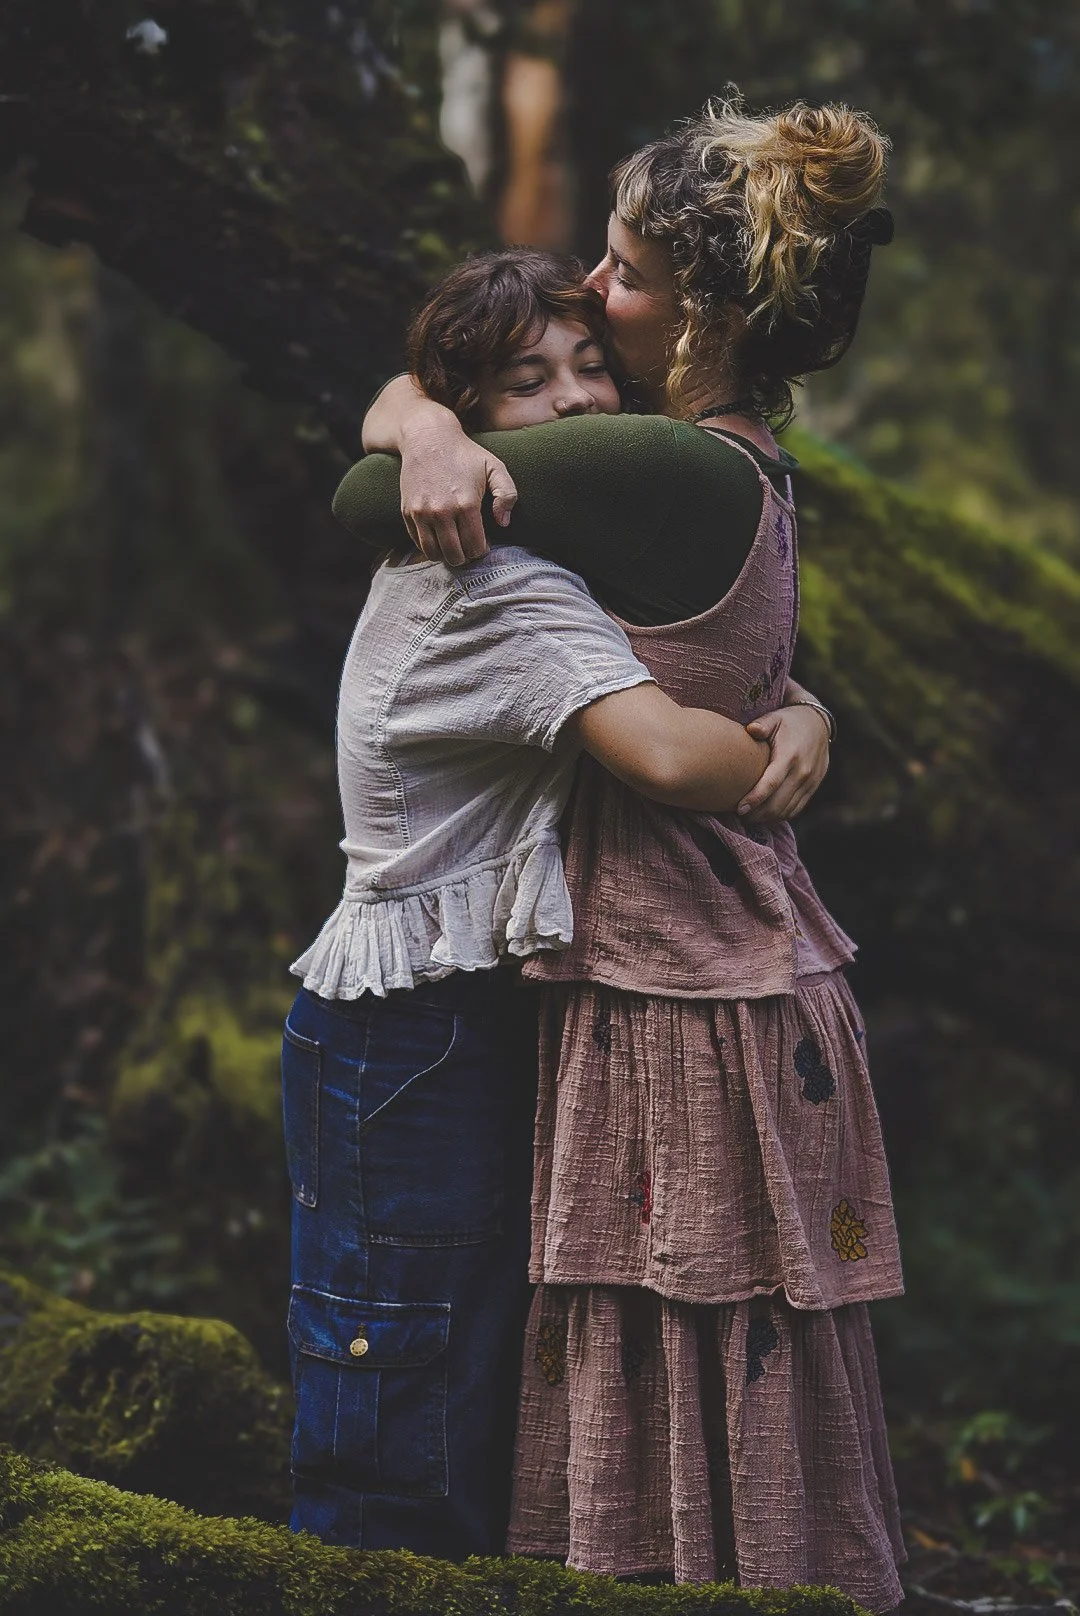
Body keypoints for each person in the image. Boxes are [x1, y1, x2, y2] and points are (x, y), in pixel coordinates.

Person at [351, 98, 905, 1611]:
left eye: (628, 276)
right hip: (720, 965)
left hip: (683, 986)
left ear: (715, 311)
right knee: (731, 1333)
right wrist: (802, 710)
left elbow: (359, 494)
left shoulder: (653, 468)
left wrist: (424, 421)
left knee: (690, 1327)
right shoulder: (743, 457)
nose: (592, 292)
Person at [283, 247, 792, 1561]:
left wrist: (425, 418)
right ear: (478, 413)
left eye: (589, 369)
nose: (575, 402)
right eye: (529, 382)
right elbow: (677, 759)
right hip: (409, 1032)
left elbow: (397, 396)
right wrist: (792, 740)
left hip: (450, 1015)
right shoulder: (501, 585)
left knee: (449, 1360)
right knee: (399, 1374)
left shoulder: (526, 548)